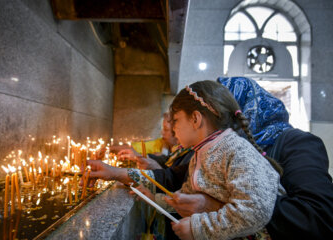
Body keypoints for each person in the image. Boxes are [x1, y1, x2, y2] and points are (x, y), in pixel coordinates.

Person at [166, 77, 333, 240]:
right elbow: (187, 180)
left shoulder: (244, 149)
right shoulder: (211, 149)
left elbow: (317, 218)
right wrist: (164, 199)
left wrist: (213, 210)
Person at [134, 80, 284, 240]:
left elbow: (254, 211)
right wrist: (155, 200)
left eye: (176, 120)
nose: (172, 128)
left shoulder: (236, 150)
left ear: (195, 119)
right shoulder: (201, 153)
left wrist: (198, 228)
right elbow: (187, 196)